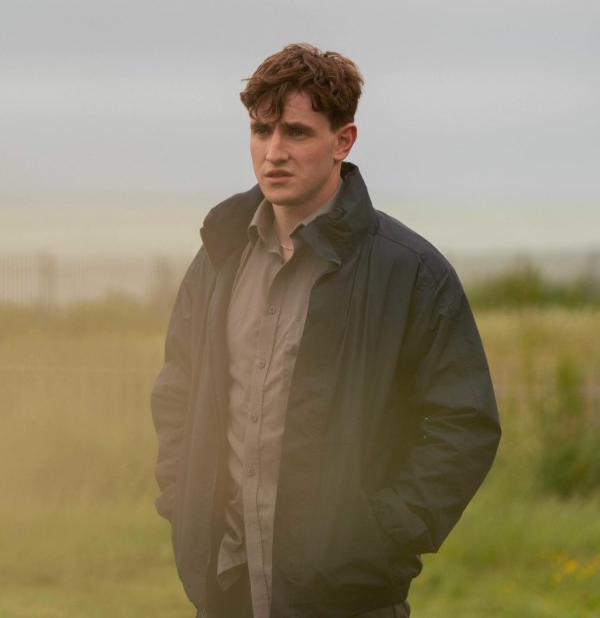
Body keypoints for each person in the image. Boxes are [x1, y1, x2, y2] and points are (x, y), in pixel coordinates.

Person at [151, 43, 500, 618]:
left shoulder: (410, 271)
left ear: (344, 141)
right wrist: (182, 499)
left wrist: (380, 536)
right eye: (261, 131)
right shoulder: (217, 259)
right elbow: (177, 390)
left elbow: (465, 425)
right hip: (226, 586)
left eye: (297, 132)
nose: (274, 152)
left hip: (348, 596)